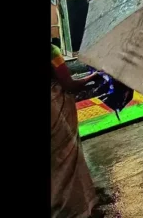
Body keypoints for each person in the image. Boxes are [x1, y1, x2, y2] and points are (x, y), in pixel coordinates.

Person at [51, 44, 99, 218]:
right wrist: (92, 77)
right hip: (55, 112)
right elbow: (69, 85)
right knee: (66, 159)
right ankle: (73, 209)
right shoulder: (52, 51)